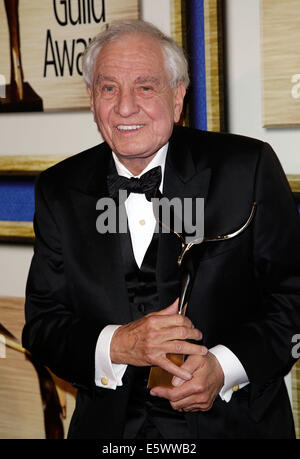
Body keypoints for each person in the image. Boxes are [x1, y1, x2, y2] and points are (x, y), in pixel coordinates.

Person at [22, 19, 300, 439]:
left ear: (178, 97)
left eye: (145, 87)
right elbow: (42, 327)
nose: (125, 107)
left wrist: (224, 368)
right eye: (109, 88)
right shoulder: (58, 189)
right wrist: (118, 345)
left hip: (234, 427)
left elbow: (293, 297)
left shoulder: (247, 169)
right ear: (92, 100)